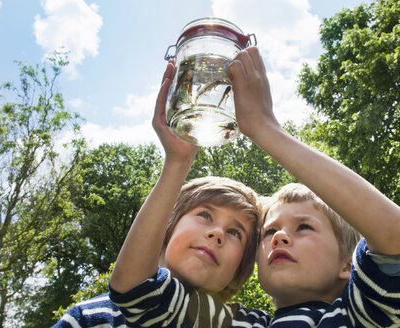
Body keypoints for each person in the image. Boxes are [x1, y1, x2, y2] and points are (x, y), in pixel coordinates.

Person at [225, 46, 400, 326]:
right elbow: (146, 291)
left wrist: (265, 128)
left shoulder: (365, 315)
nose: (279, 238)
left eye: (304, 227)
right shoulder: (232, 321)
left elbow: (397, 240)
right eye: (269, 231)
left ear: (348, 265)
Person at [53, 60, 270, 328]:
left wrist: (267, 128)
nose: (217, 234)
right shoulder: (91, 318)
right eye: (204, 215)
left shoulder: (252, 324)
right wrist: (177, 163)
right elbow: (137, 287)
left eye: (236, 233)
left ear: (242, 268)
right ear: (166, 226)